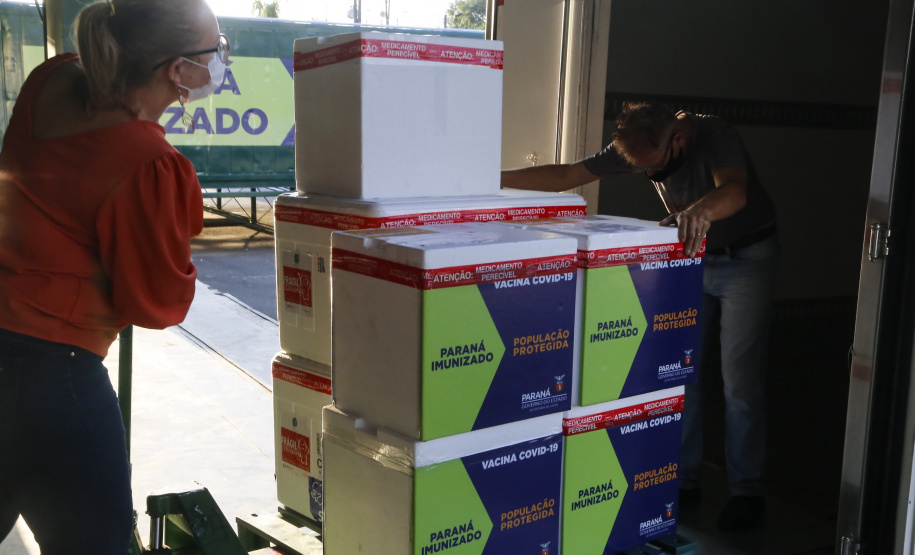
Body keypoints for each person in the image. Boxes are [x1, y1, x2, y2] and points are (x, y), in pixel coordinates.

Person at [0, 0, 228, 552]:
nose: (221, 60)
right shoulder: (148, 162)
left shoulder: (49, 80)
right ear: (178, 71)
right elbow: (157, 304)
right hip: (53, 378)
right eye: (215, 50)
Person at [502, 102, 778, 531]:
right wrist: (489, 179)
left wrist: (698, 213)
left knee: (739, 380)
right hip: (690, 256)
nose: (652, 176)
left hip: (745, 259)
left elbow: (735, 191)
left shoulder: (714, 134)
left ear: (678, 140)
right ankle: (684, 481)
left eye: (655, 168)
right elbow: (565, 176)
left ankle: (747, 491)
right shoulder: (639, 142)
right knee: (680, 372)